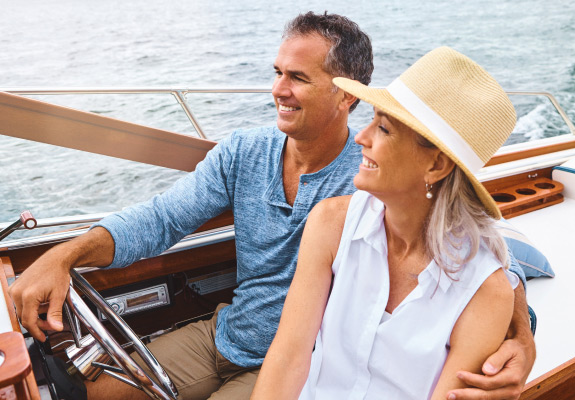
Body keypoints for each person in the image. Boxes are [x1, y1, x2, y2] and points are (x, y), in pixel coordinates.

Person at [8, 13, 533, 400]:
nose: (278, 89)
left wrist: (521, 334)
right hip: (229, 333)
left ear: (348, 96)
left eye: (298, 77)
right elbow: (163, 218)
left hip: (301, 359)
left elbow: (485, 253)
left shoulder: (377, 178)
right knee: (96, 392)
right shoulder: (245, 151)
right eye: (277, 71)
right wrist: (64, 255)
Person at [252, 46, 529, 400]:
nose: (361, 137)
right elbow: (289, 358)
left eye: (383, 128)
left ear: (436, 166)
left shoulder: (486, 291)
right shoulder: (330, 223)